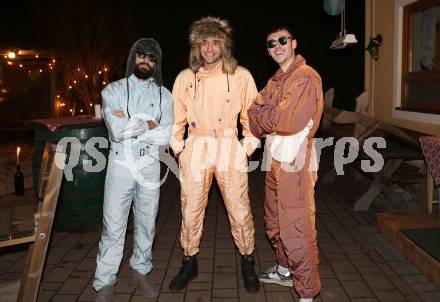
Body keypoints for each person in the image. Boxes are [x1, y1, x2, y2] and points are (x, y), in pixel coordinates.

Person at [169, 16, 261, 293]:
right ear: (197, 46)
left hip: (228, 146)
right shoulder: (185, 78)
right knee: (190, 207)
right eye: (204, 42)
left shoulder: (241, 76)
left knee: (239, 207)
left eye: (215, 42)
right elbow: (177, 119)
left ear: (224, 46)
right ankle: (189, 261)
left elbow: (253, 118)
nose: (209, 48)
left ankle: (247, 261)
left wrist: (245, 148)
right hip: (195, 148)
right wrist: (179, 149)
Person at [93, 38, 173, 302]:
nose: (146, 60)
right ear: (132, 58)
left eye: (151, 57)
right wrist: (149, 124)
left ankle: (141, 269)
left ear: (156, 63)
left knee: (147, 221)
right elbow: (116, 133)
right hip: (120, 164)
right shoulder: (112, 91)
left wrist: (134, 126)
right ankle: (104, 281)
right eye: (141, 54)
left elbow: (166, 136)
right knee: (114, 224)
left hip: (149, 164)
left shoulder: (164, 95)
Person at [248, 26, 323, 302]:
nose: (277, 46)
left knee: (296, 225)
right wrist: (271, 116)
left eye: (282, 40)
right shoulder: (276, 80)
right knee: (275, 220)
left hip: (295, 162)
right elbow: (252, 113)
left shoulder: (306, 77)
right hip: (275, 158)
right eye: (271, 43)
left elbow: (289, 121)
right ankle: (284, 270)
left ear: (293, 43)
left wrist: (270, 116)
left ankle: (306, 293)